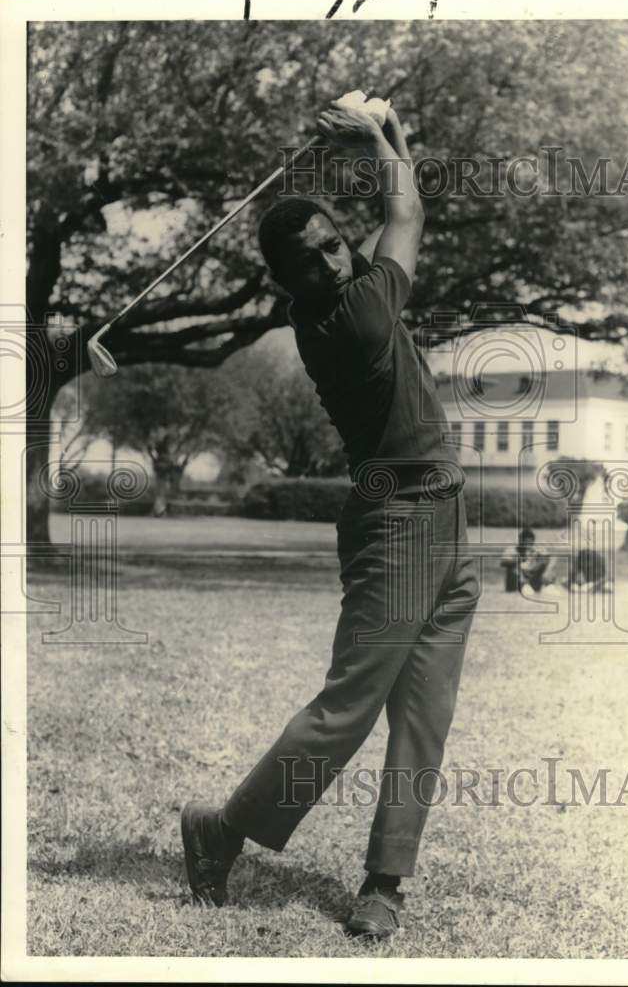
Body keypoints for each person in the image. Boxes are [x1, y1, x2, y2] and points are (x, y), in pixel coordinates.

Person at [180, 99, 480, 940]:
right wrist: (373, 137)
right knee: (350, 706)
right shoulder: (355, 314)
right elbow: (406, 210)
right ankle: (222, 828)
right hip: (398, 521)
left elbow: (394, 208)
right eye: (310, 258)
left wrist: (392, 136)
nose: (331, 258)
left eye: (333, 241)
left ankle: (384, 880)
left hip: (447, 516)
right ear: (289, 282)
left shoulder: (346, 292)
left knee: (426, 713)